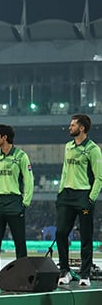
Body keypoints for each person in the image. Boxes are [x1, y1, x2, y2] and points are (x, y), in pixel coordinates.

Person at [56, 114, 102, 287]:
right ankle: (65, 271)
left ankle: (85, 274)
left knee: (86, 236)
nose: (70, 127)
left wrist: (91, 199)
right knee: (60, 233)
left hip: (83, 196)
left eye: (73, 125)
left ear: (82, 128)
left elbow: (99, 177)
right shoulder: (68, 146)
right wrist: (61, 191)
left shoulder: (92, 149)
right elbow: (65, 171)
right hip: (66, 196)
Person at [0, 125, 33, 284]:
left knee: (20, 241)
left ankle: (24, 271)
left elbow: (29, 180)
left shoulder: (21, 156)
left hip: (14, 202)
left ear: (5, 137)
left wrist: (25, 203)